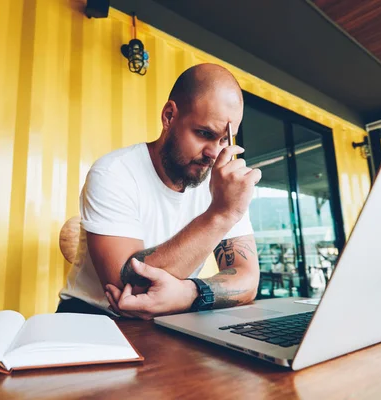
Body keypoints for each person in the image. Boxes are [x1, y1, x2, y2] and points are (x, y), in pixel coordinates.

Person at [57, 63, 262, 319]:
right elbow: (131, 289)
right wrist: (221, 214)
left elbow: (248, 280)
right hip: (91, 319)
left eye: (223, 141)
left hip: (168, 318)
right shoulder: (114, 172)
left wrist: (190, 294)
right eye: (203, 133)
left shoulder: (225, 185)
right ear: (169, 116)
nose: (213, 154)